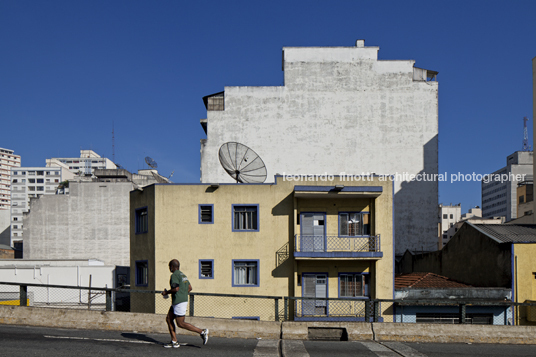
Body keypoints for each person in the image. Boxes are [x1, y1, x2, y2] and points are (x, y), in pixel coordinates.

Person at [162, 259, 209, 348]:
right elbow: (190, 287)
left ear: (172, 267)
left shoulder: (174, 275)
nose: (169, 269)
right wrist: (183, 294)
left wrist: (166, 293)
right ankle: (174, 341)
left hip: (179, 302)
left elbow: (175, 289)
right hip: (179, 301)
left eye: (169, 267)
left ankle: (202, 332)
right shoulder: (183, 275)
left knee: (180, 323)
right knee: (169, 318)